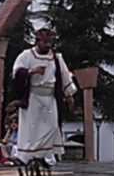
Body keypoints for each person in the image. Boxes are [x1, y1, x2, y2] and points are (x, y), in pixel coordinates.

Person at [12, 28, 77, 166]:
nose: (48, 45)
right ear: (37, 41)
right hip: (33, 97)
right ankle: (26, 156)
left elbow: (65, 76)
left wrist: (69, 95)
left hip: (50, 97)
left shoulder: (56, 58)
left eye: (50, 42)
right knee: (31, 128)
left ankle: (46, 155)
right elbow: (16, 72)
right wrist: (31, 71)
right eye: (45, 42)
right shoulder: (26, 55)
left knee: (52, 126)